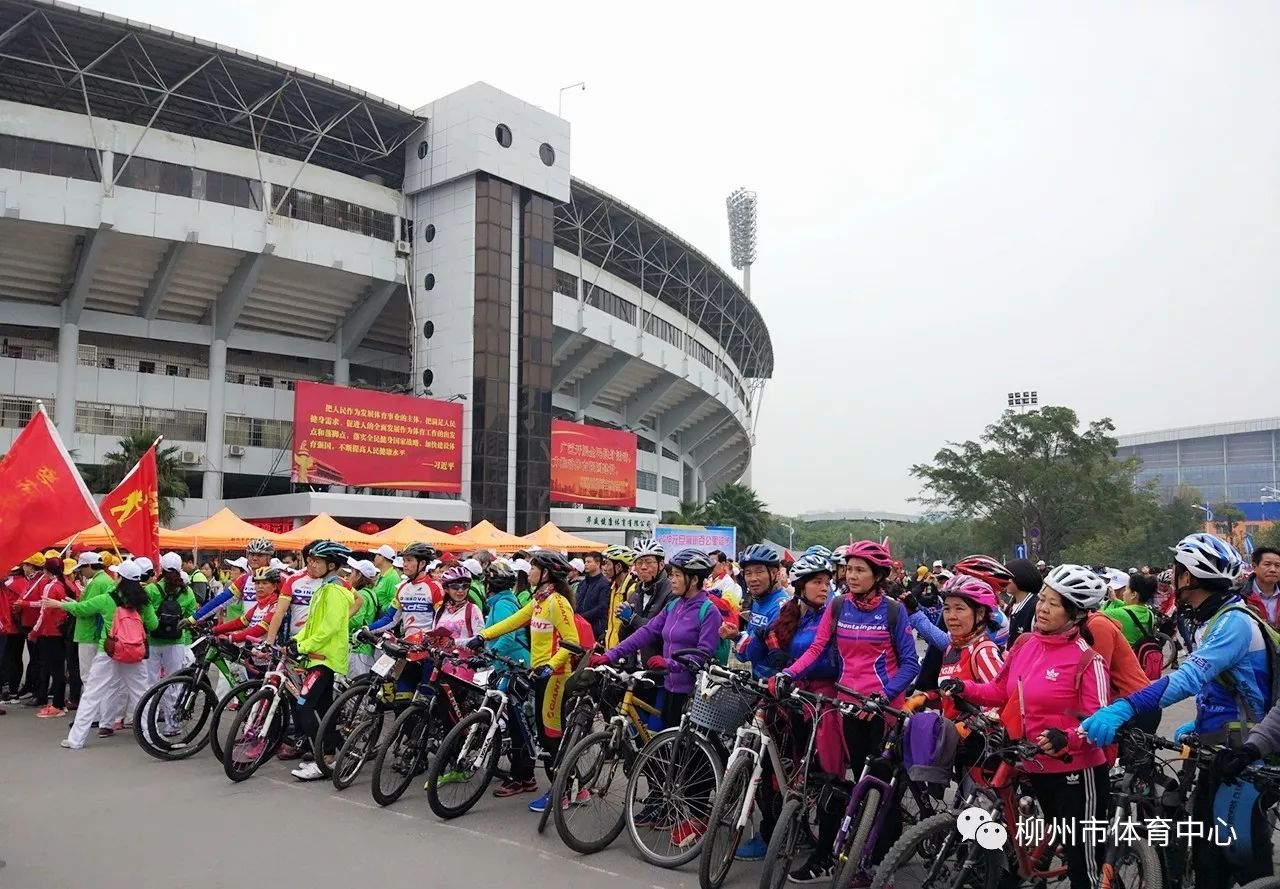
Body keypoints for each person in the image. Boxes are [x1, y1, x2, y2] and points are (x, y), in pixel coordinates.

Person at [1082, 534, 1273, 889]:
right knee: (1207, 858)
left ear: (1189, 577)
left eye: (1177, 570)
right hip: (1217, 750)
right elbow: (1222, 687)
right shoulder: (1211, 620)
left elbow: (1187, 678)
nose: (1171, 576)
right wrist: (1201, 724)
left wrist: (1125, 707)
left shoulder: (1234, 622)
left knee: (1243, 856)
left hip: (1246, 758)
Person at [942, 563, 1111, 889]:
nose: (1043, 608)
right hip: (1032, 763)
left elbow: (1101, 721)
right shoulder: (1026, 644)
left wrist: (1069, 737)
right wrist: (965, 689)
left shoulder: (1087, 660)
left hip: (1078, 773)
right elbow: (999, 692)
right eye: (1043, 598)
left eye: (1054, 603)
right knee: (1041, 841)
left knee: (1082, 864)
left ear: (1075, 614)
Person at [773, 540, 920, 883]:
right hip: (848, 706)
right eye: (848, 569)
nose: (850, 576)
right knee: (859, 784)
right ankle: (858, 853)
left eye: (859, 570)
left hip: (884, 710)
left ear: (878, 575)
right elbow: (817, 648)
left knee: (880, 789)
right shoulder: (838, 606)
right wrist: (789, 673)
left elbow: (910, 664)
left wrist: (884, 696)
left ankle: (880, 864)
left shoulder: (894, 611)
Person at [590, 548, 723, 848]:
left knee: (692, 758)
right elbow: (647, 632)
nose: (672, 580)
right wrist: (610, 655)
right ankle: (672, 805)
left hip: (693, 693)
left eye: (677, 575)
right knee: (668, 752)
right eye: (672, 574)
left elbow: (704, 655)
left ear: (694, 579)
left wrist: (672, 663)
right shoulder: (674, 606)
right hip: (670, 689)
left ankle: (699, 816)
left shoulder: (708, 611)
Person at [738, 553, 839, 865]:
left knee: (820, 777)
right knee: (770, 767)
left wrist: (793, 669)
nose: (824, 588)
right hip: (785, 698)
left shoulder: (832, 615)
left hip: (820, 705)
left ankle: (823, 844)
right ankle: (772, 832)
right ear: (800, 586)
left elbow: (833, 660)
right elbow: (754, 652)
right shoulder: (789, 611)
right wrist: (757, 637)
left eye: (827, 582)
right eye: (817, 582)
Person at [465, 550, 580, 812]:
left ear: (546, 573)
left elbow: (571, 642)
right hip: (538, 672)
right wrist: (483, 636)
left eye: (533, 568)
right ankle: (572, 786)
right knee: (544, 733)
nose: (528, 573)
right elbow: (514, 621)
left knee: (550, 735)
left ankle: (564, 790)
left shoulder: (557, 602)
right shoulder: (540, 600)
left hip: (554, 677)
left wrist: (550, 666)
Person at [52, 559, 158, 749]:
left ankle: (76, 740)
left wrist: (59, 605)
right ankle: (151, 738)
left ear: (119, 578)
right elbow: (153, 625)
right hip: (135, 654)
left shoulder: (108, 598)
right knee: (142, 695)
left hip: (108, 651)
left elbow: (80, 609)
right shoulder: (144, 601)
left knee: (92, 694)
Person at [286, 540, 355, 781]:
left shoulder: (335, 591)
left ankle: (324, 759)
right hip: (317, 656)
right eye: (311, 560)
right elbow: (311, 625)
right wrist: (296, 641)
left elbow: (329, 628)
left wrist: (303, 646)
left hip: (325, 659)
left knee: (304, 706)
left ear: (332, 565)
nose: (311, 564)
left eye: (317, 561)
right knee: (325, 710)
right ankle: (336, 753)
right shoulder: (324, 588)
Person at [145, 553, 197, 733]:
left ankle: (147, 724)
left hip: (153, 641)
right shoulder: (187, 592)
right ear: (181, 568)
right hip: (176, 642)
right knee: (173, 683)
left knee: (151, 683)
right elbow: (192, 615)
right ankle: (172, 724)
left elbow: (144, 615)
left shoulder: (151, 590)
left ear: (161, 568)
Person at [733, 543, 790, 680]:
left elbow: (754, 654)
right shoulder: (758, 601)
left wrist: (737, 639)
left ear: (774, 574)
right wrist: (736, 636)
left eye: (759, 572)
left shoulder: (782, 606)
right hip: (758, 684)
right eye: (748, 573)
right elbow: (749, 648)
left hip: (776, 689)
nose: (753, 579)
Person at [364, 543, 441, 638]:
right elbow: (391, 618)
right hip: (408, 642)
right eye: (404, 560)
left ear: (422, 563)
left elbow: (442, 621)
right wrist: (367, 629)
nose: (404, 564)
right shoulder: (402, 587)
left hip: (429, 645)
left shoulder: (435, 587)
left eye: (409, 560)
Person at [28, 554, 73, 718]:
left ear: (46, 570)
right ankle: (59, 702)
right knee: (59, 668)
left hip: (50, 632)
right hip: (61, 631)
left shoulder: (51, 586)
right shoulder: (65, 584)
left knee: (55, 669)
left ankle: (57, 705)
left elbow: (44, 612)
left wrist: (34, 632)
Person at [616, 538, 672, 663]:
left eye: (649, 562)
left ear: (661, 564)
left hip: (658, 666)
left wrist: (633, 619)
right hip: (634, 666)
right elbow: (625, 637)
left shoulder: (671, 592)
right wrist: (625, 622)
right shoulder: (636, 592)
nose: (643, 567)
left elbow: (663, 631)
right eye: (639, 562)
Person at [210, 567, 283, 643]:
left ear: (274, 586)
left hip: (268, 651)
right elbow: (240, 622)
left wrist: (232, 638)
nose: (260, 586)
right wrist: (215, 630)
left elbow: (260, 629)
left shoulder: (276, 605)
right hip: (252, 649)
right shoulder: (258, 606)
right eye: (257, 583)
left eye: (265, 583)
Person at [482, 560, 530, 668]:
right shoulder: (507, 600)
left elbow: (507, 636)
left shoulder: (502, 604)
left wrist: (489, 656)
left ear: (488, 585)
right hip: (513, 661)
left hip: (513, 663)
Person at [1102, 572, 1158, 646]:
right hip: (1139, 655)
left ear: (1133, 594)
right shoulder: (1150, 614)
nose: (1124, 593)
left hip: (1123, 655)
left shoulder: (1120, 613)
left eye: (1126, 589)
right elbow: (1132, 609)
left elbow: (1095, 615)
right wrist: (1115, 600)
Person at [344, 560, 379, 677]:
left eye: (352, 572)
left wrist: (338, 621)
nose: (349, 576)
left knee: (352, 687)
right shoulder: (371, 592)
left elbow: (355, 621)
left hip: (357, 648)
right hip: (365, 647)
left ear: (359, 575)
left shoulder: (362, 595)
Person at [434, 565, 484, 640]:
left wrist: (454, 642)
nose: (460, 591)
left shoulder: (473, 609)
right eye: (455, 587)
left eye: (465, 586)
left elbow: (479, 639)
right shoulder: (440, 610)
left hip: (464, 651)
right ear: (446, 589)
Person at [601, 544, 636, 648]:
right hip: (610, 650)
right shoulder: (614, 588)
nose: (604, 568)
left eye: (607, 564)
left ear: (619, 567)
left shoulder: (632, 590)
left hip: (622, 653)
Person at [1004, 558, 1044, 647]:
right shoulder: (1012, 604)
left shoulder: (1035, 606)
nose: (1004, 580)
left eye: (1007, 577)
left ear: (1019, 577)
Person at [574, 551, 612, 642]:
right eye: (585, 562)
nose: (586, 564)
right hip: (580, 626)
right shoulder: (583, 583)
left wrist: (582, 617)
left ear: (598, 564)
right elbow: (577, 600)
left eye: (589, 562)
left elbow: (602, 607)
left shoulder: (604, 584)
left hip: (595, 629)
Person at [1242, 546, 1280, 628]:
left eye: (1277, 565)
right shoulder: (1240, 595)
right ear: (1254, 567)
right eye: (1267, 564)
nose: (1273, 569)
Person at [370, 545, 402, 614]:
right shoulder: (381, 574)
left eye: (376, 555)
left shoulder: (392, 577)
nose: (374, 558)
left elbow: (394, 602)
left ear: (383, 558)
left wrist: (381, 608)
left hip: (383, 617)